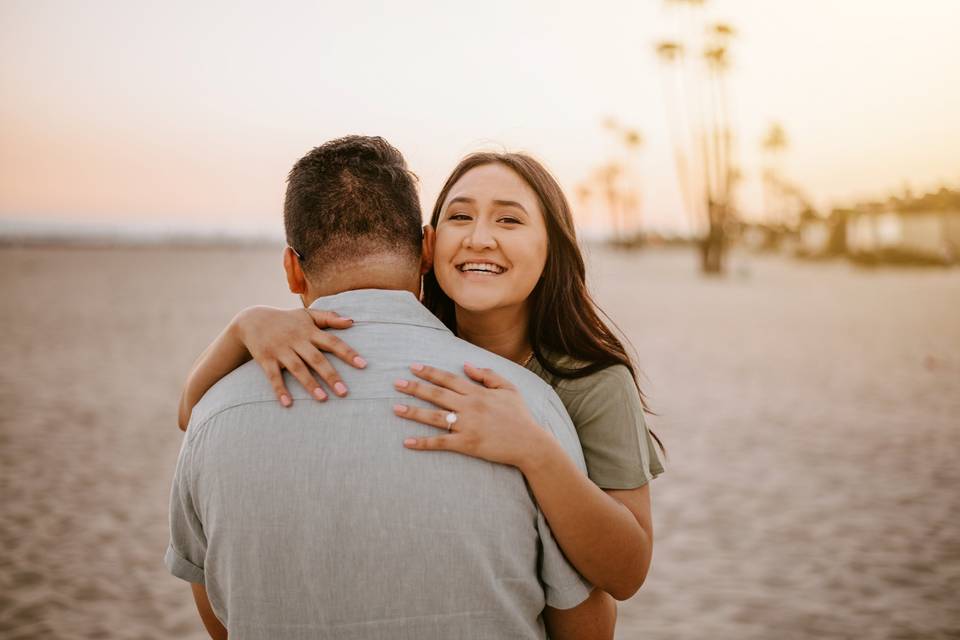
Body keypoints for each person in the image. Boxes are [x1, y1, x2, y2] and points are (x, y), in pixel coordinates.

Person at [179, 147, 664, 621]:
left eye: (509, 220)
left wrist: (534, 451)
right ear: (429, 247)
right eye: (460, 217)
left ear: (552, 246)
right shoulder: (406, 344)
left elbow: (625, 574)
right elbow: (192, 416)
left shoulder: (589, 381)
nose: (479, 238)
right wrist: (243, 326)